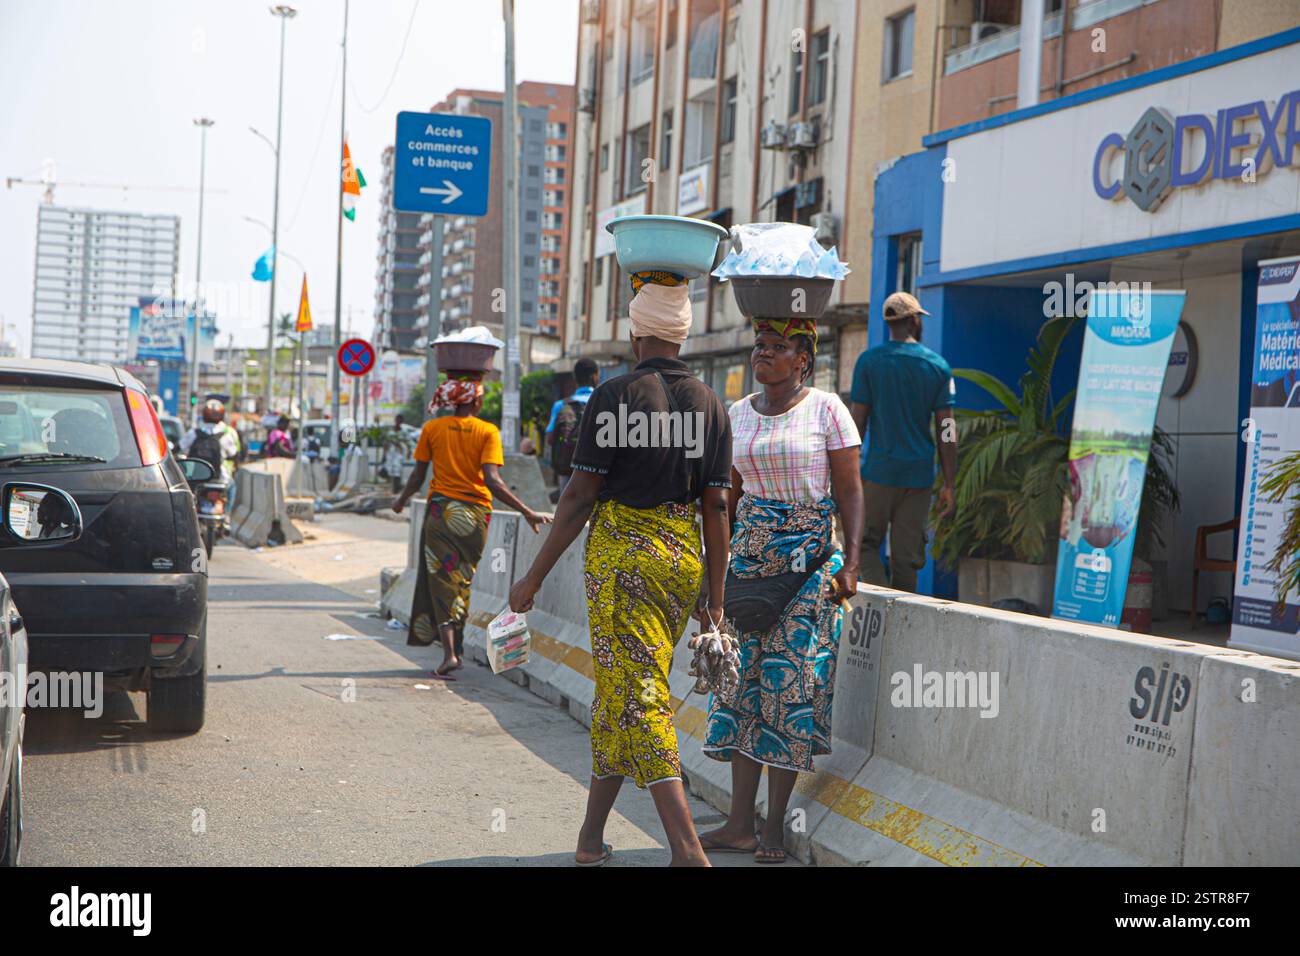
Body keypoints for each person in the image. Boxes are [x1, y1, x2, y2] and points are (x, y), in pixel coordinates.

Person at [508, 273, 732, 868]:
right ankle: (589, 839)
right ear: (682, 335)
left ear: (636, 331)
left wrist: (532, 577)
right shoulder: (712, 404)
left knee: (640, 696)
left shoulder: (612, 396)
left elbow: (580, 497)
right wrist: (714, 595)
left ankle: (686, 849)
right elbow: (716, 505)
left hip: (623, 564)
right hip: (681, 562)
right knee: (621, 696)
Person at [697, 316, 863, 863]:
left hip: (809, 569)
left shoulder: (827, 409)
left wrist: (852, 561)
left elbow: (850, 489)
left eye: (777, 347)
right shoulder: (737, 415)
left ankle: (773, 829)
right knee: (742, 691)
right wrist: (713, 577)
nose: (763, 353)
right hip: (748, 564)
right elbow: (728, 500)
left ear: (803, 360)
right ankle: (739, 823)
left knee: (788, 692)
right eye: (759, 345)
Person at [393, 372, 551, 677]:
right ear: (476, 400)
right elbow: (493, 481)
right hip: (476, 516)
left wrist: (401, 501)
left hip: (441, 514)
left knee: (442, 580)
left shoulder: (433, 428)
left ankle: (450, 652)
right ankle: (457, 646)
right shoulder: (487, 431)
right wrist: (527, 511)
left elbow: (417, 476)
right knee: (462, 579)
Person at [849, 291, 958, 592]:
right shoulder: (937, 366)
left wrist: (849, 471)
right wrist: (949, 482)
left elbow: (857, 421)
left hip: (878, 474)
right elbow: (947, 428)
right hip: (918, 478)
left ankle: (878, 601)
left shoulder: (869, 362)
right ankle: (901, 613)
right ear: (913, 321)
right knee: (907, 557)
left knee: (866, 544)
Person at [546, 357, 600, 495]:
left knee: (566, 510)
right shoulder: (603, 402)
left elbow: (550, 439)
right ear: (595, 377)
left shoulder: (561, 405)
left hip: (567, 469)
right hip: (597, 471)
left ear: (575, 379)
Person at [181, 399, 241, 478]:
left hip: (195, 478)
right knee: (232, 486)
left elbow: (179, 447)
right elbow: (234, 454)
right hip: (219, 478)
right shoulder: (226, 435)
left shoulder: (194, 433)